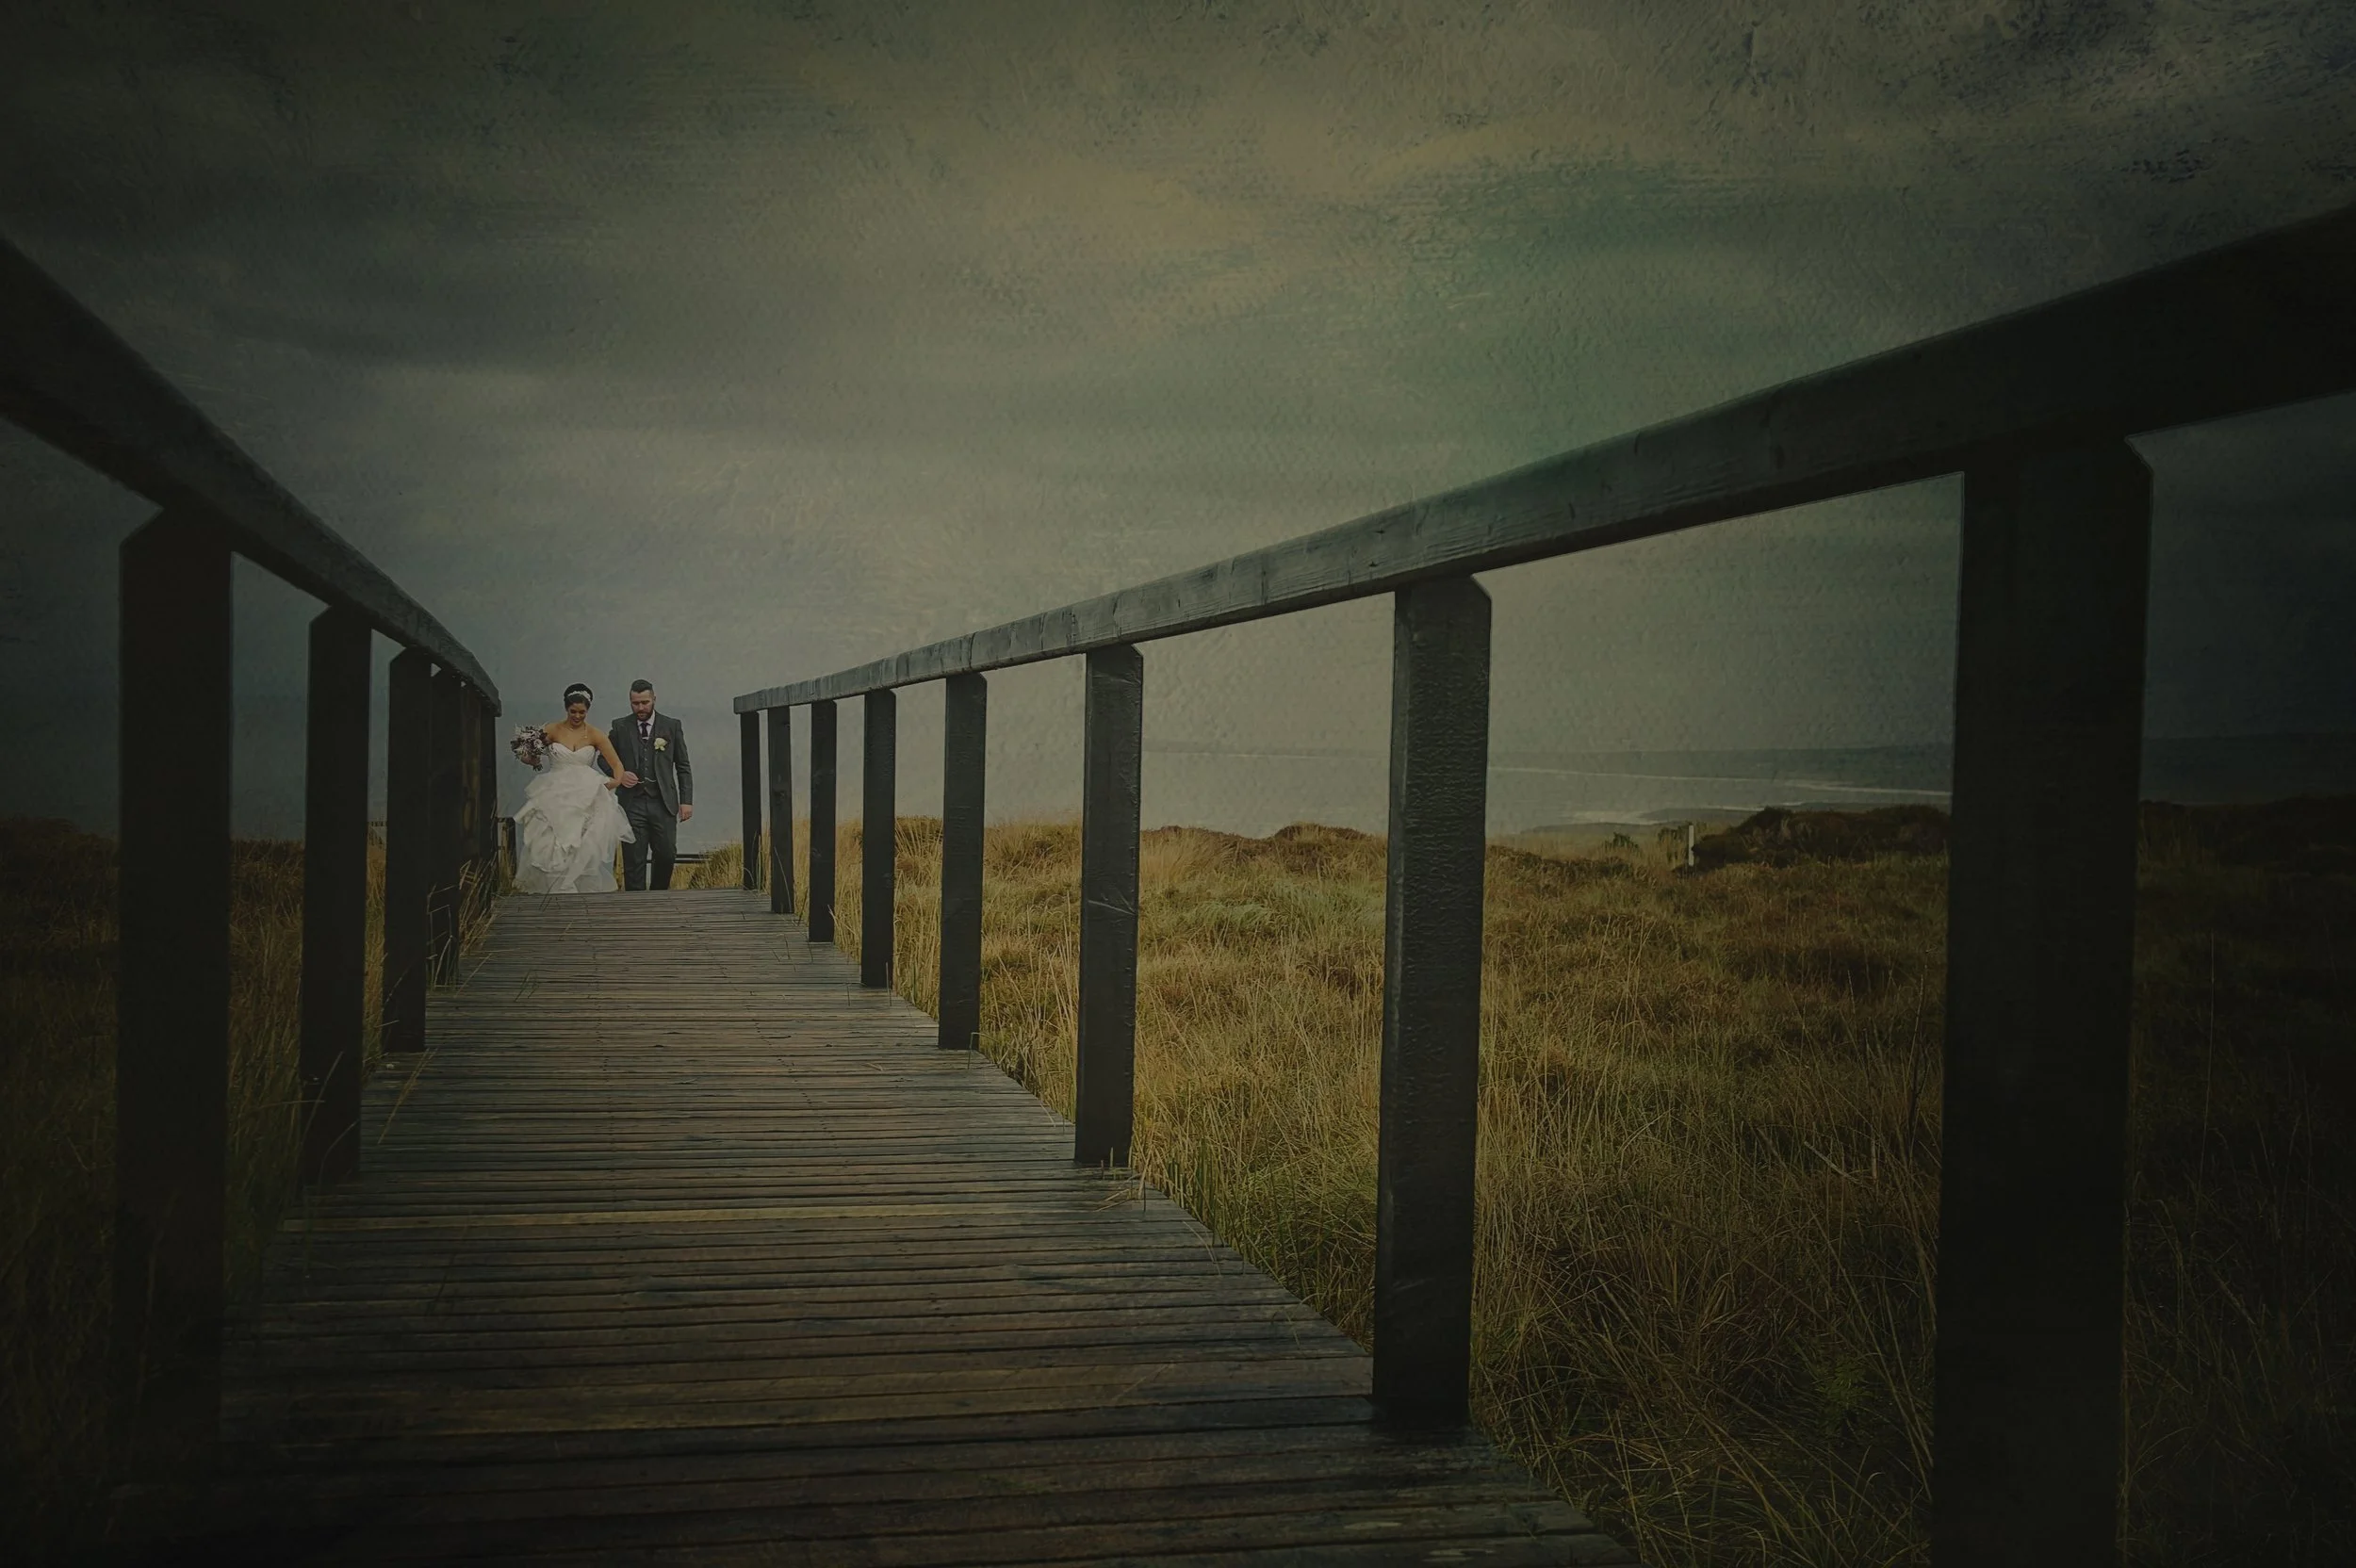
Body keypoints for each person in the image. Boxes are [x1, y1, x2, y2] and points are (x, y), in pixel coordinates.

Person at [511, 683, 635, 893]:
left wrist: (613, 783)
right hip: (555, 790)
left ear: (588, 710)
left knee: (582, 838)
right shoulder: (551, 730)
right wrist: (529, 757)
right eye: (573, 711)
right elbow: (530, 756)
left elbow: (617, 764)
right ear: (566, 708)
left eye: (582, 712)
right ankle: (554, 889)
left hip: (586, 791)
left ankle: (576, 888)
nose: (577, 716)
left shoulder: (595, 734)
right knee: (551, 838)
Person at [609, 678, 694, 890]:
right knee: (633, 858)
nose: (640, 708)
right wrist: (620, 774)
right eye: (635, 703)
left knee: (666, 854)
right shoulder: (620, 726)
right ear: (630, 701)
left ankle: (659, 896)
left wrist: (686, 801)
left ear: (654, 699)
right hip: (632, 803)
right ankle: (635, 906)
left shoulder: (672, 726)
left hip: (663, 802)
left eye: (645, 702)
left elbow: (683, 766)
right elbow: (605, 757)